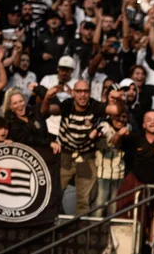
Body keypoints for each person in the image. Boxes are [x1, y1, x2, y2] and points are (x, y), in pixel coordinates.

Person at [42, 80, 123, 214]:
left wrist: (119, 100)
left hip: (86, 157)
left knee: (83, 201)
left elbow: (116, 110)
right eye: (79, 91)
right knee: (54, 195)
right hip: (65, 155)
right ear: (73, 93)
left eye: (86, 91)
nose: (83, 95)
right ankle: (53, 230)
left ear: (90, 93)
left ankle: (80, 232)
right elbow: (46, 112)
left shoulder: (94, 106)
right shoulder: (67, 105)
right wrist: (47, 98)